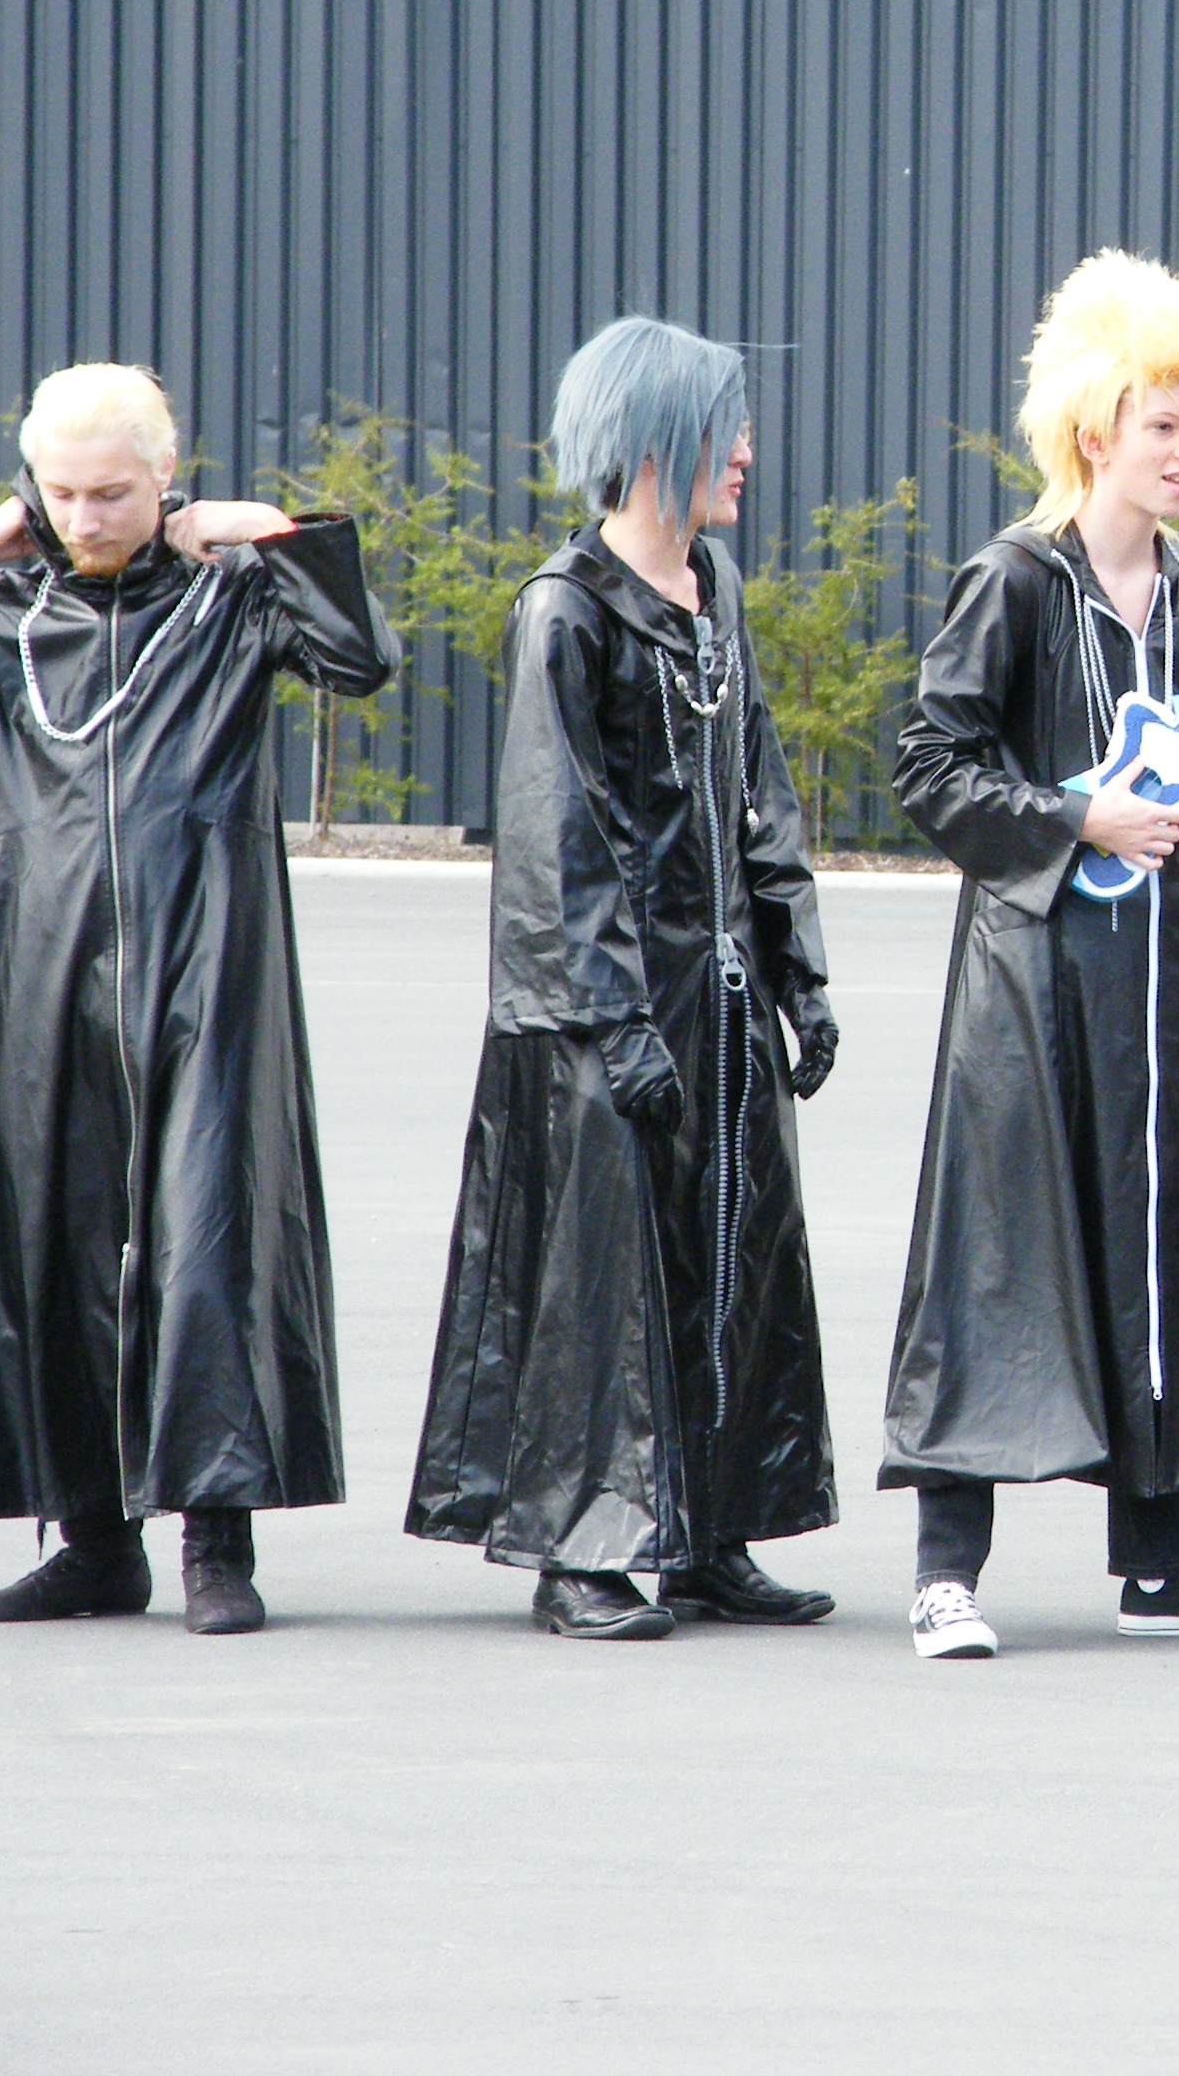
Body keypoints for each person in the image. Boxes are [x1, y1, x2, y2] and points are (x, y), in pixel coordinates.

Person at [0, 361, 400, 1634]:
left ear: (165, 480)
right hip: (41, 971)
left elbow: (358, 661)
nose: (86, 518)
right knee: (56, 1241)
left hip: (207, 966)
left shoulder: (232, 602)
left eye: (113, 494)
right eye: (64, 493)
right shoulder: (5, 609)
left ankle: (217, 1539)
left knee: (209, 1239)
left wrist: (269, 532)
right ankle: (92, 1540)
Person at [883, 248, 1179, 1660]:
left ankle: (1166, 1563)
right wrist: (1078, 815)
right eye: (1164, 424)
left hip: (1165, 981)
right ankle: (945, 1573)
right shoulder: (1013, 581)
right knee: (999, 1255)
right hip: (1033, 986)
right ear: (1095, 430)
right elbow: (928, 765)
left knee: (1171, 1244)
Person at [407, 317, 841, 1641]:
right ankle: (577, 1553)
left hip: (719, 1000)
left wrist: (798, 973)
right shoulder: (568, 611)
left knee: (730, 1259)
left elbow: (758, 791)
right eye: (725, 428)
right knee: (601, 1283)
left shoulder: (714, 589)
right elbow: (556, 839)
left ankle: (709, 1537)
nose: (746, 451)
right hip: (604, 1016)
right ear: (653, 440)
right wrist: (615, 1022)